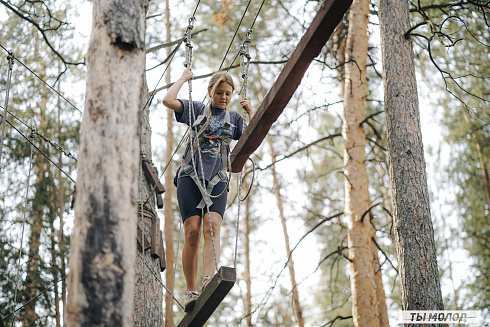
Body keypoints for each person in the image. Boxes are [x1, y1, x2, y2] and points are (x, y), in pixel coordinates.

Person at [162, 68, 253, 312]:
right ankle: (191, 290)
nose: (223, 97)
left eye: (227, 93)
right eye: (219, 92)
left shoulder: (233, 119)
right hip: (190, 177)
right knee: (192, 231)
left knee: (212, 226)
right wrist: (183, 79)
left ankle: (208, 278)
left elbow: (253, 139)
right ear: (210, 92)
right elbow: (168, 100)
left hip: (217, 180)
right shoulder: (198, 110)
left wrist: (250, 112)